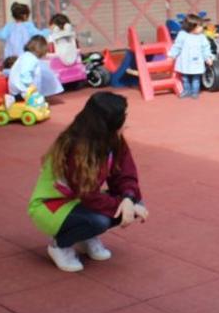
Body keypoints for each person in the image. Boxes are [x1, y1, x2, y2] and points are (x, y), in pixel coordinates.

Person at [28, 92, 149, 272]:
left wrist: (128, 198)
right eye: (123, 118)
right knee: (99, 221)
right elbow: (88, 195)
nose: (127, 122)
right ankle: (60, 245)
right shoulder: (77, 148)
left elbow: (125, 173)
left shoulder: (112, 140)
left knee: (135, 203)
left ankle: (86, 236)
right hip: (52, 206)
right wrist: (122, 205)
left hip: (80, 200)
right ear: (109, 124)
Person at [168, 14, 213, 99]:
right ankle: (187, 91)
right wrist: (172, 55)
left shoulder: (201, 37)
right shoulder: (182, 35)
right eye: (199, 26)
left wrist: (208, 57)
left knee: (196, 79)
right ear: (192, 27)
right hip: (185, 62)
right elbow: (177, 46)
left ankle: (195, 92)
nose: (202, 28)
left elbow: (206, 48)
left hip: (197, 62)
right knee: (185, 78)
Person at [7, 35, 52, 104]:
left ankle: (15, 98)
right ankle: (13, 98)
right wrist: (31, 85)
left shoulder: (26, 55)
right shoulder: (30, 59)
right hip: (21, 88)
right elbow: (25, 73)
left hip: (17, 87)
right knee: (38, 99)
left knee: (37, 97)